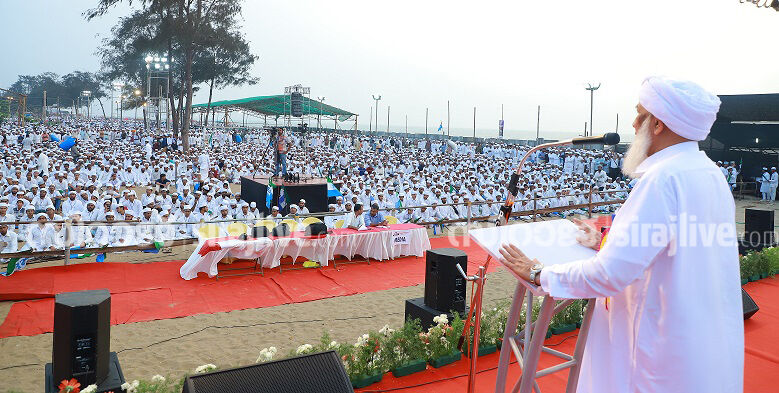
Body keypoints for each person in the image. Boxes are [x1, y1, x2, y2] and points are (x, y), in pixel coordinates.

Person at [498, 76, 742, 393]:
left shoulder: (663, 179)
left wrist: (539, 274)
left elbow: (610, 275)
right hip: (697, 345)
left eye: (640, 113)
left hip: (656, 353)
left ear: (657, 124)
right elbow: (671, 249)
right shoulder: (708, 173)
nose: (633, 122)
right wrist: (602, 240)